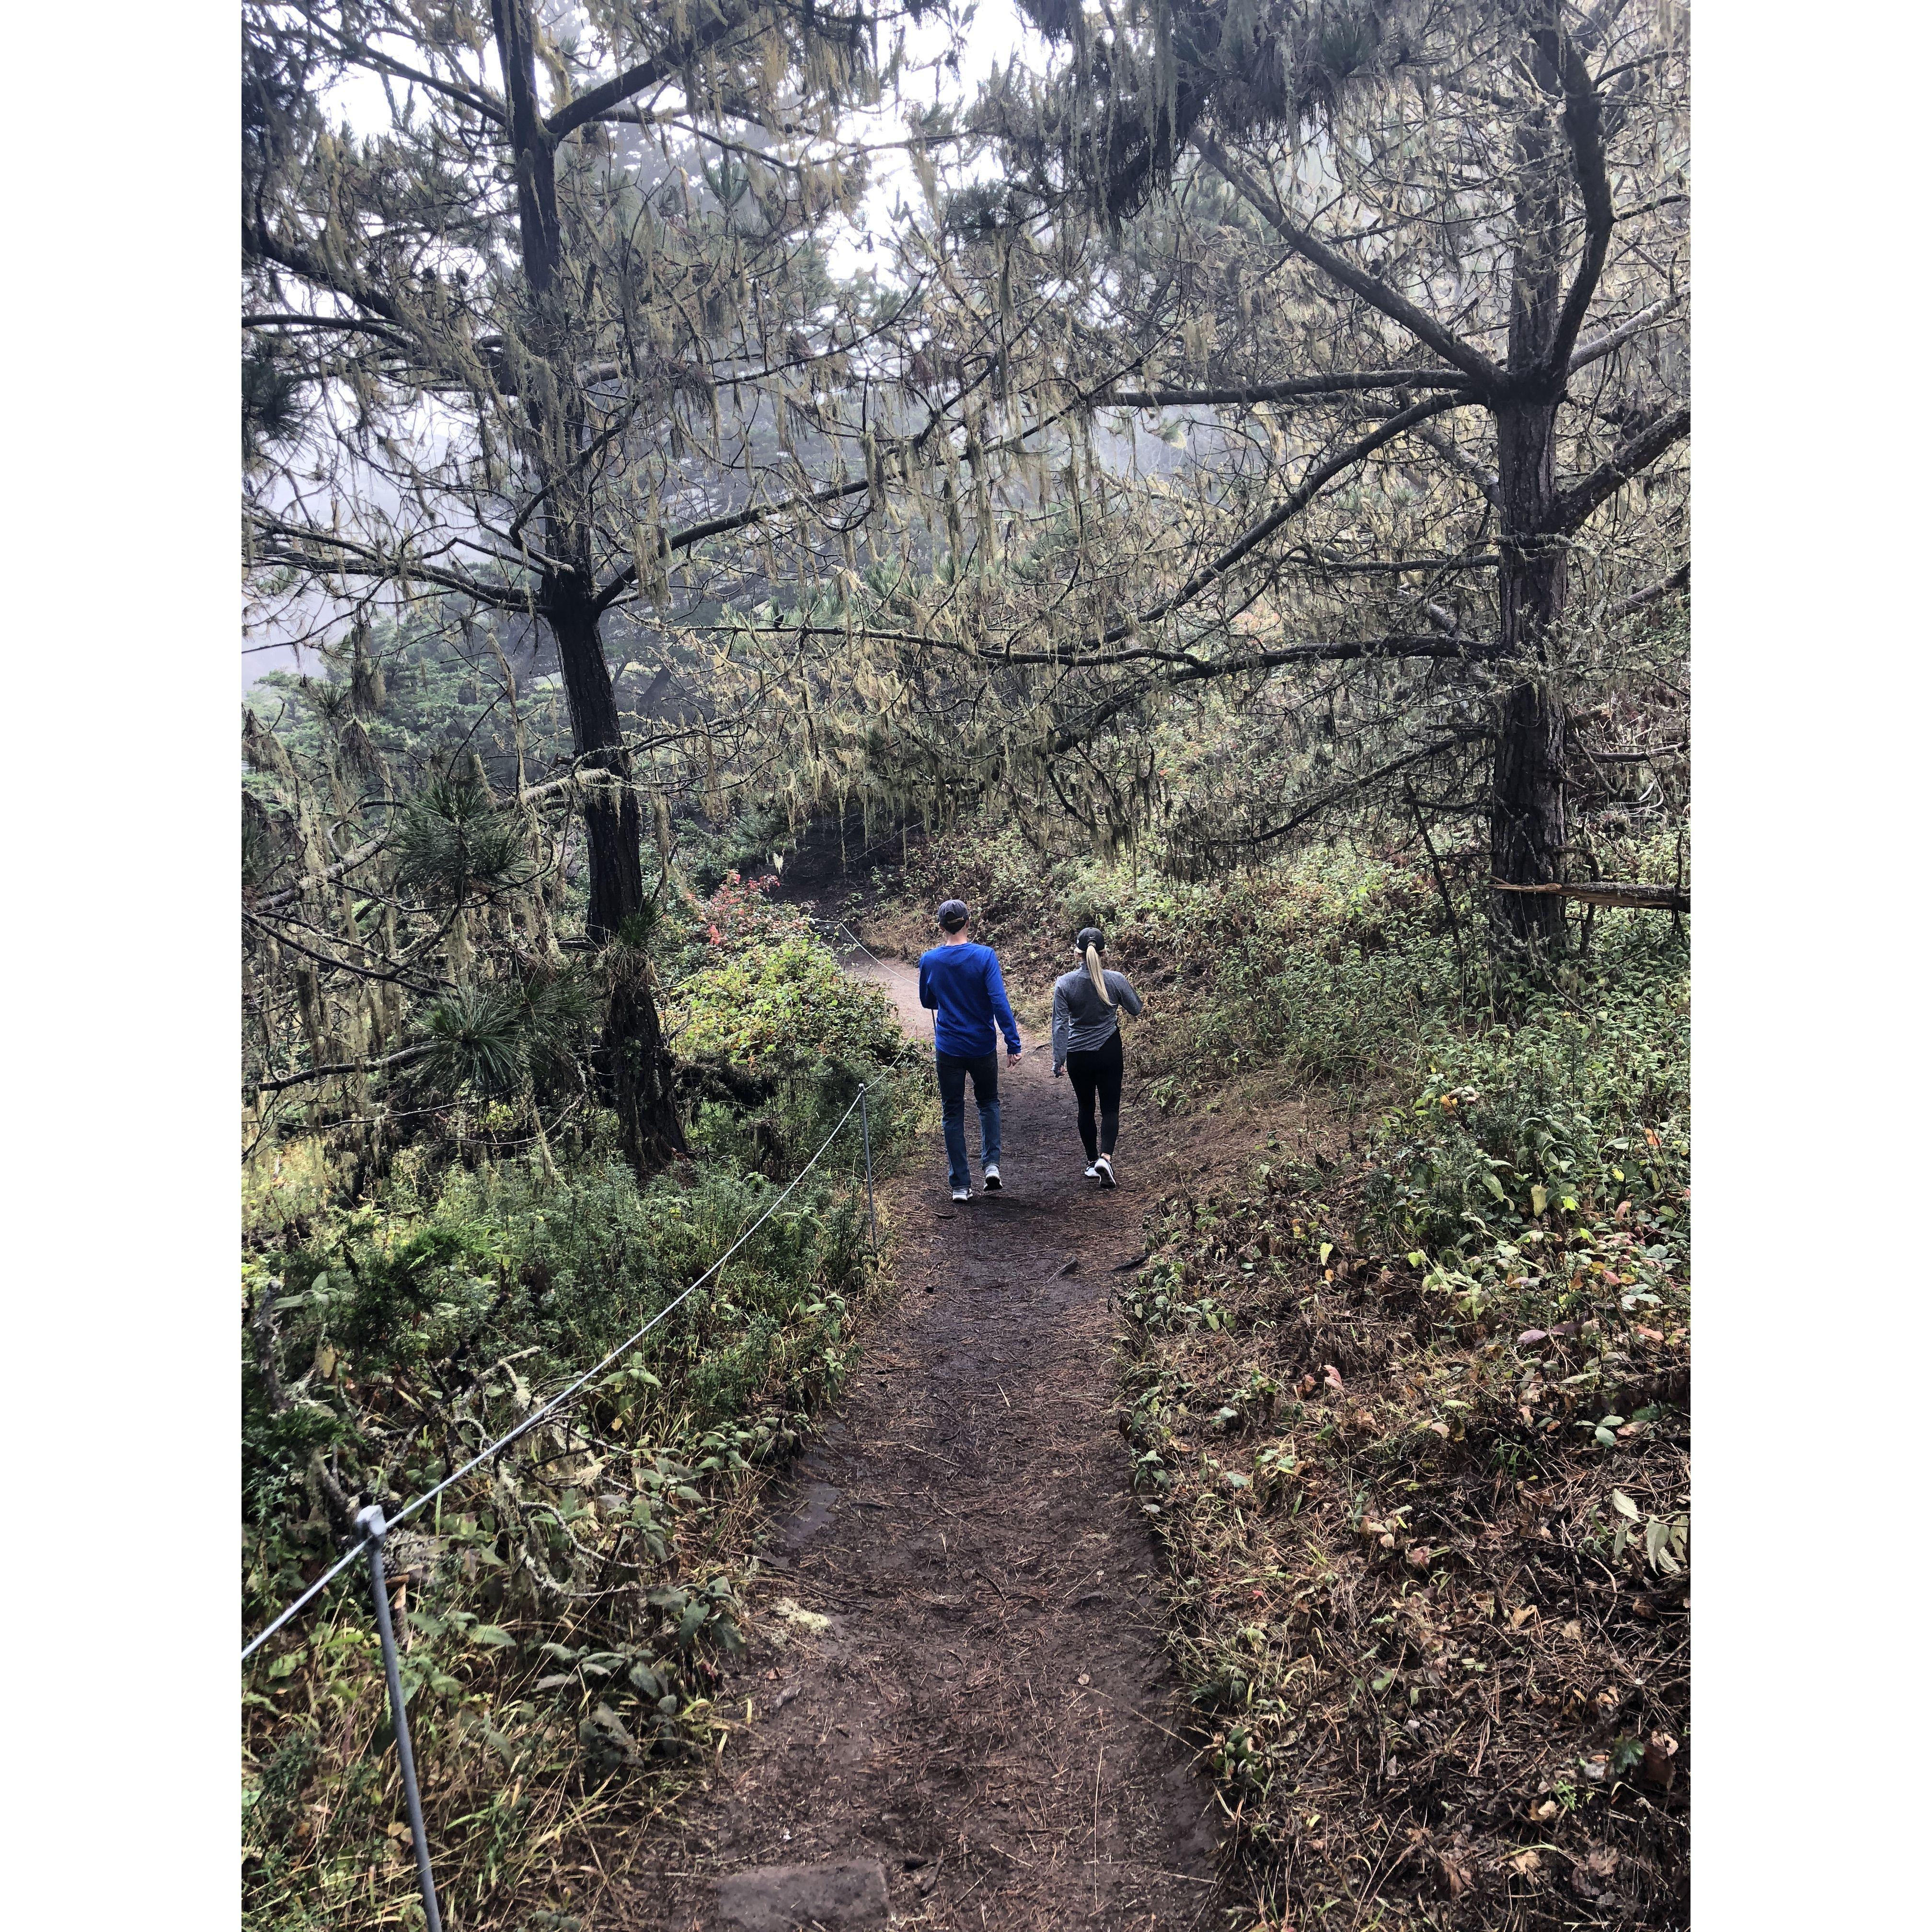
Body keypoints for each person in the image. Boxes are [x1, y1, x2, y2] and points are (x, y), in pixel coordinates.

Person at [918, 898, 1022, 1202]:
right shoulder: (985, 956)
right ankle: (991, 1166)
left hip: (948, 1047)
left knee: (952, 1111)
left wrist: (950, 998)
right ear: (968, 922)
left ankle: (961, 1186)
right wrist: (1012, 1042)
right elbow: (999, 1001)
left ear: (940, 927)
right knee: (988, 1103)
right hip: (982, 1045)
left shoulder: (930, 960)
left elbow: (928, 1001)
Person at [1051, 926, 1143, 1188]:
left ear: (1077, 952)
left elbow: (1060, 1025)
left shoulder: (1065, 983)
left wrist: (1059, 1060)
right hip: (1110, 1050)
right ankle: (1106, 1157)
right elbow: (1136, 1009)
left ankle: (1092, 1162)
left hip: (1078, 1054)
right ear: (1103, 952)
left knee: (1086, 1108)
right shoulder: (1115, 979)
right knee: (1111, 1108)